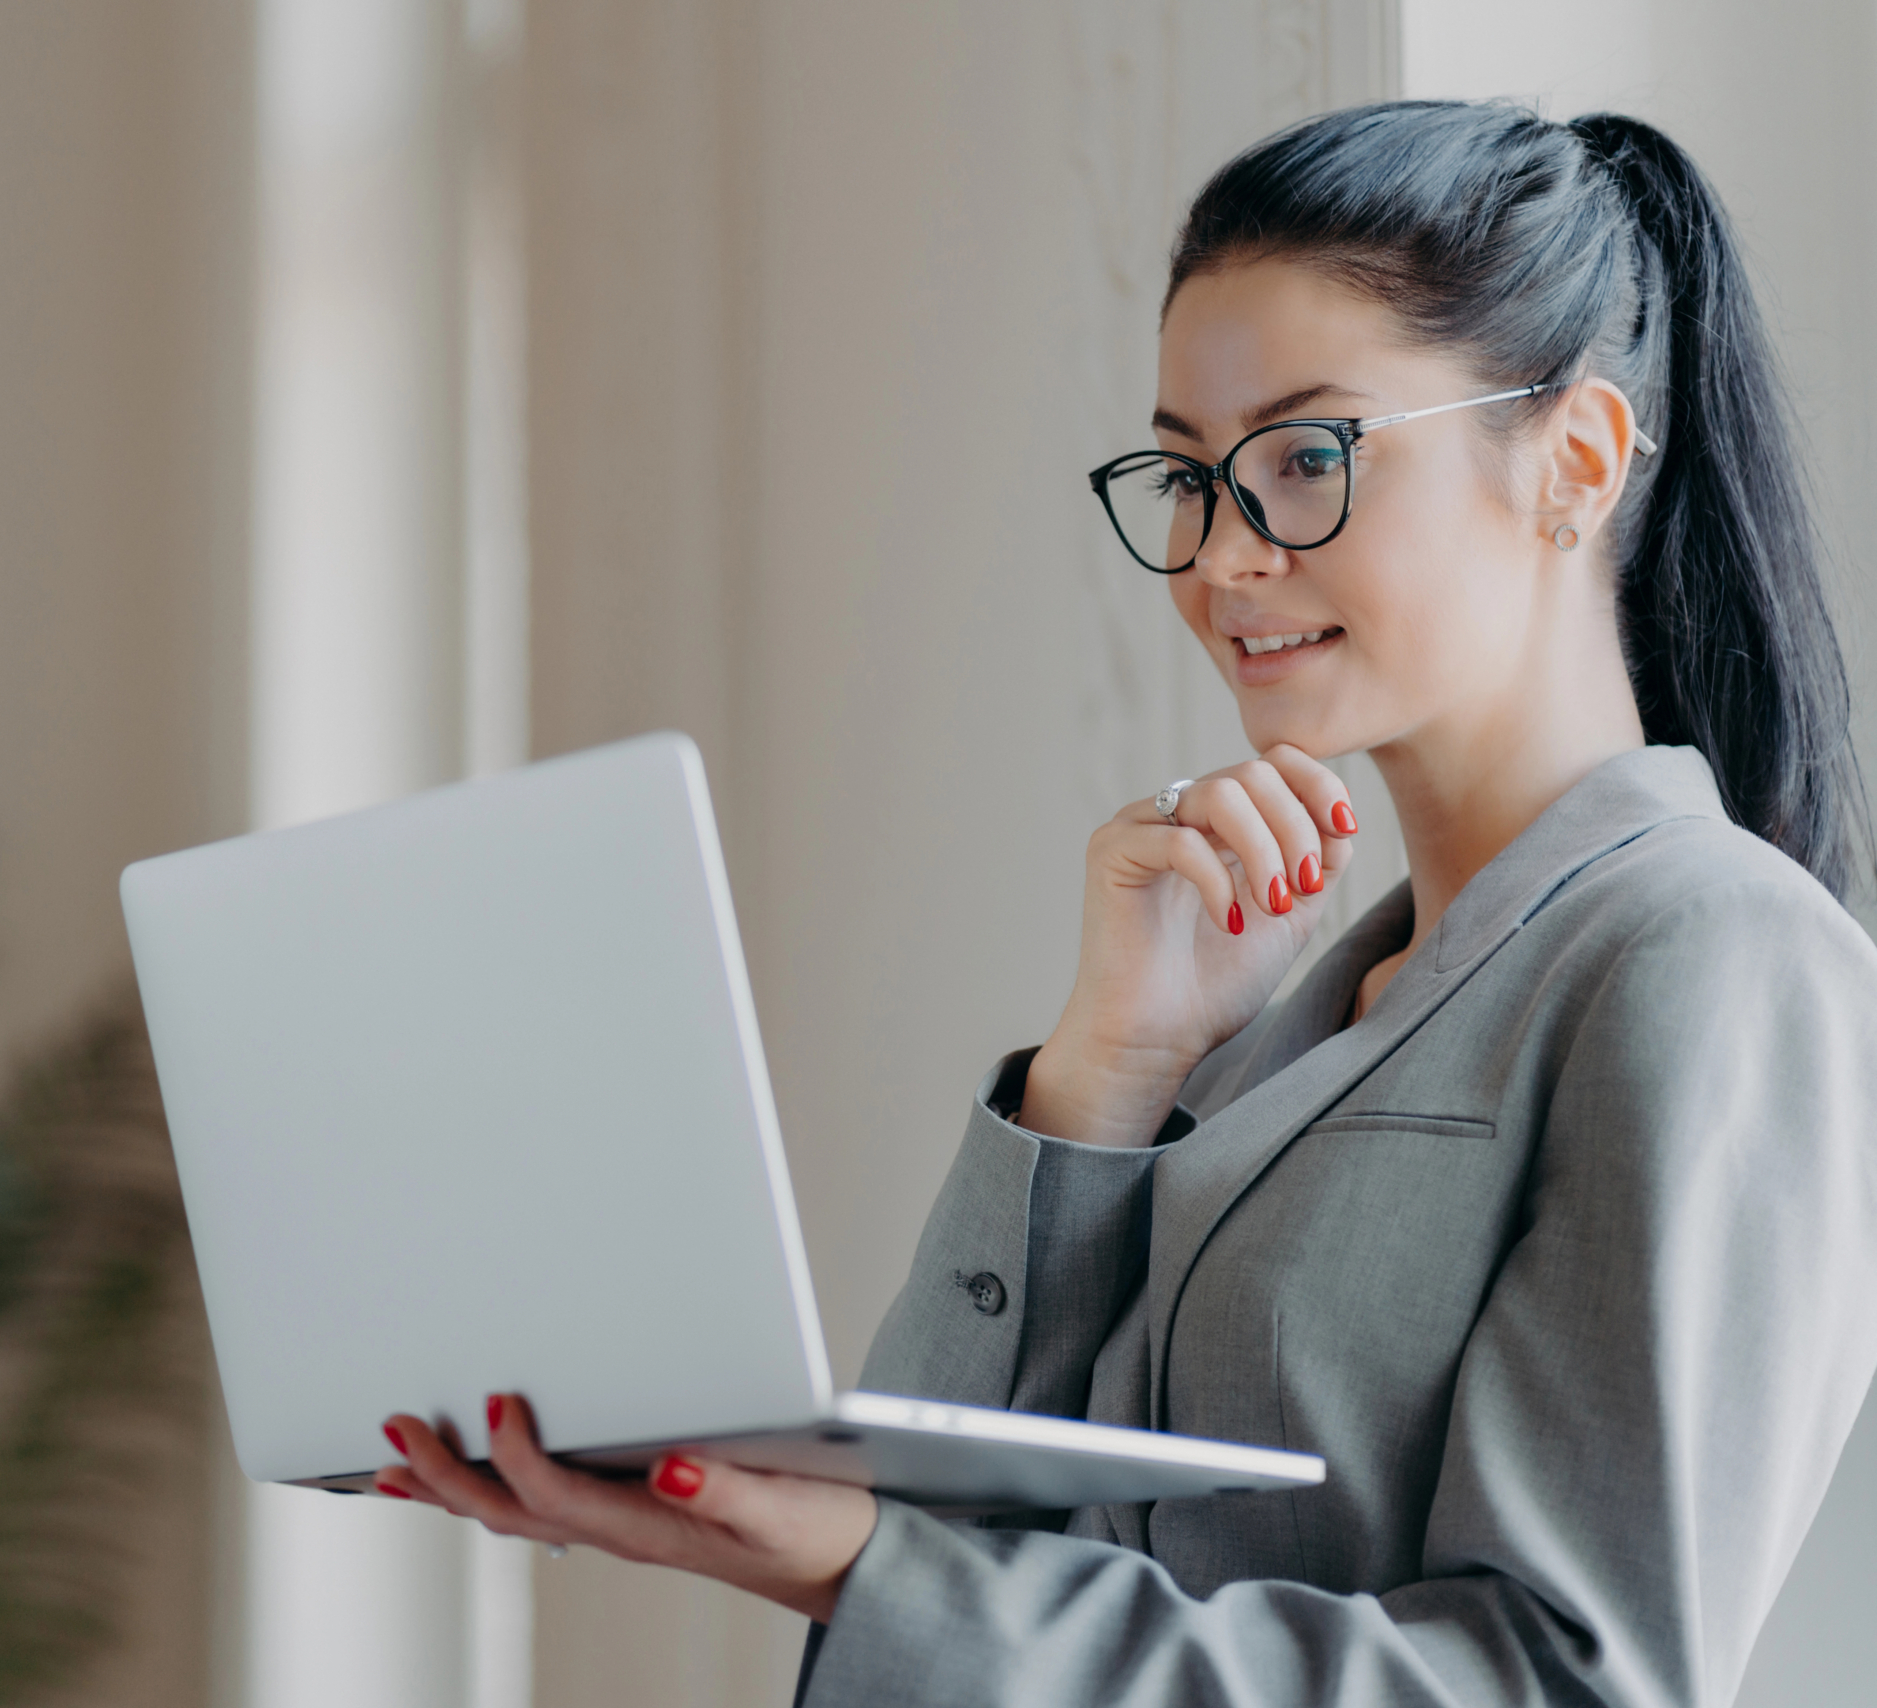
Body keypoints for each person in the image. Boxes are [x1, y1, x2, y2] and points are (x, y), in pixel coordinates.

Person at [374, 101, 1877, 1706]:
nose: (1220, 555)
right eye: (1185, 475)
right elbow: (939, 1538)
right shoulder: (1281, 1023)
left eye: (1305, 459)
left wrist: (849, 1562)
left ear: (1572, 463)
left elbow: (1561, 1685)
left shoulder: (1712, 957)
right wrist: (1104, 1078)